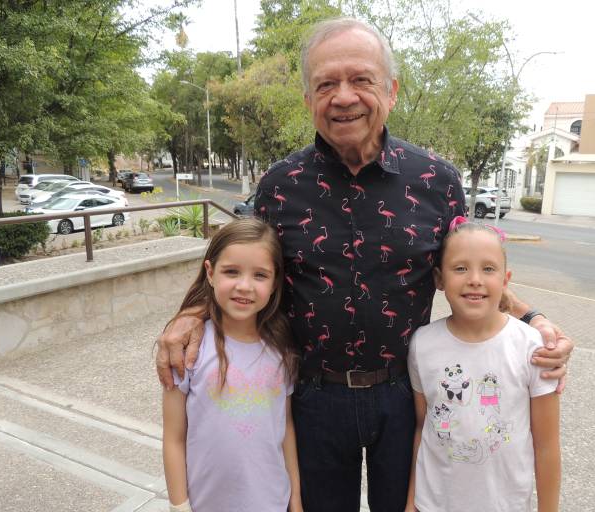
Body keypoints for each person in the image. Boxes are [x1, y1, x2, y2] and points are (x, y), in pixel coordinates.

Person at [157, 18, 573, 512]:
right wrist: (190, 315)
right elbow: (239, 265)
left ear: (391, 91)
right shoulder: (279, 186)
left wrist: (532, 319)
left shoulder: (437, 181)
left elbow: (469, 275)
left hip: (404, 396)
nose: (343, 97)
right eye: (325, 84)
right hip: (313, 396)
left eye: (361, 79)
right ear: (308, 99)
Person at [405, 218, 560, 512]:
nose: (475, 279)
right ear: (439, 279)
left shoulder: (531, 346)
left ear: (505, 280)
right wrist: (412, 501)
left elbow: (547, 446)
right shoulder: (421, 345)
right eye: (460, 268)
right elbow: (423, 428)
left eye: (488, 269)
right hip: (434, 504)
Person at [161, 218, 302, 512]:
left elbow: (285, 427)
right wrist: (179, 505)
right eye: (231, 271)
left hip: (272, 503)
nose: (244, 286)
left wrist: (296, 501)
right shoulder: (188, 350)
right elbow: (174, 437)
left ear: (275, 282)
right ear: (210, 273)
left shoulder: (283, 350)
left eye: (260, 275)